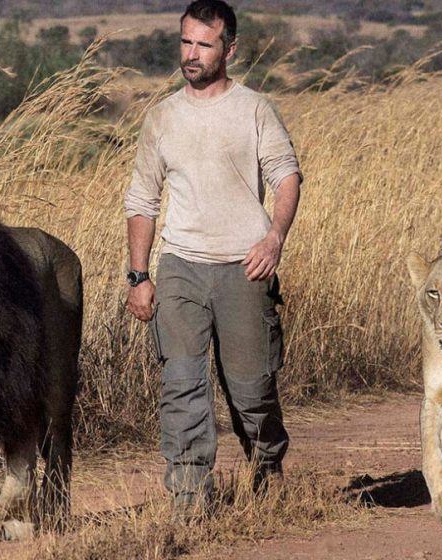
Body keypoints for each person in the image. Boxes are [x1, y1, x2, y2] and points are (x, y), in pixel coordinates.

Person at [123, 0, 302, 510]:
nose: (192, 53)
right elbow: (142, 201)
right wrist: (139, 275)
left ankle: (267, 463)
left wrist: (274, 239)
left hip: (244, 265)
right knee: (181, 384)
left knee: (252, 394)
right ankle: (188, 497)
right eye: (186, 42)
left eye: (204, 43)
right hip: (180, 266)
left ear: (229, 48)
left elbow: (286, 177)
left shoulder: (254, 109)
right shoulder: (161, 118)